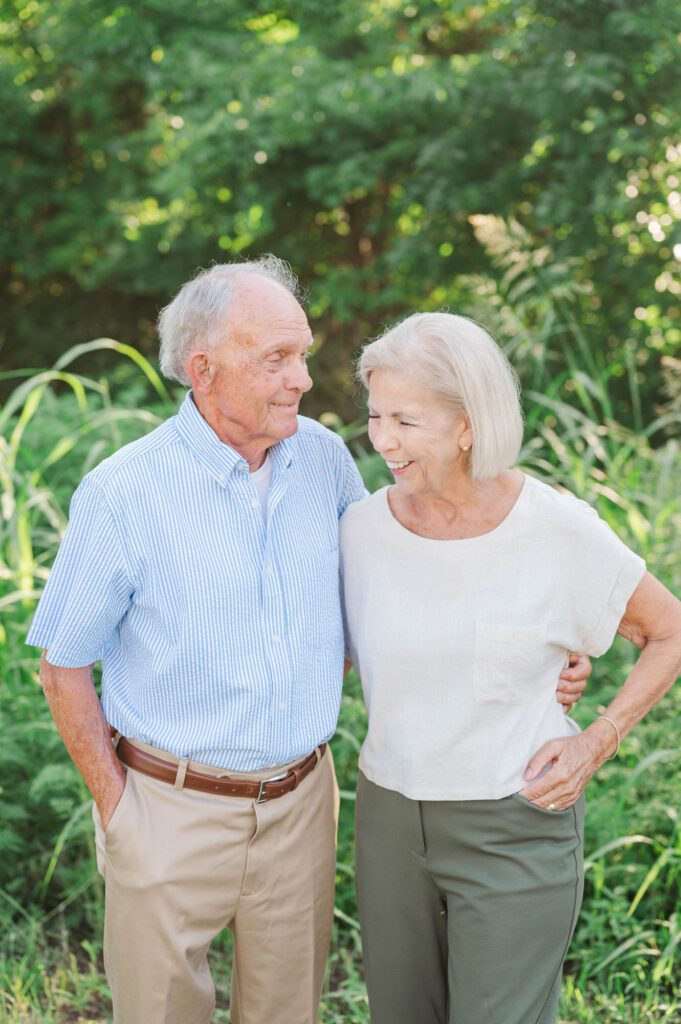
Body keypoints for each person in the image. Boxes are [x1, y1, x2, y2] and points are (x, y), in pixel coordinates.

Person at [26, 261, 589, 1024]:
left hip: (299, 809)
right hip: (167, 805)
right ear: (204, 369)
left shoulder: (322, 458)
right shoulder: (124, 493)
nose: (301, 379)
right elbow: (62, 665)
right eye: (276, 359)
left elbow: (392, 586)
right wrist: (119, 809)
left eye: (301, 354)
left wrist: (537, 651)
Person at [340, 312, 681, 1024]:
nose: (382, 440)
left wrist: (596, 740)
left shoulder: (554, 529)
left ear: (468, 424)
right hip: (388, 824)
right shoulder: (360, 530)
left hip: (513, 824)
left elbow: (667, 630)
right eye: (375, 415)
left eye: (406, 420)